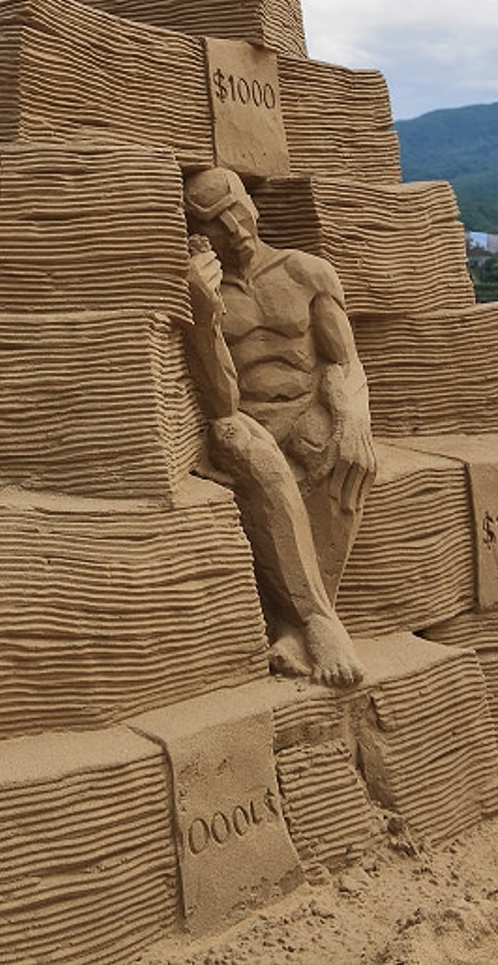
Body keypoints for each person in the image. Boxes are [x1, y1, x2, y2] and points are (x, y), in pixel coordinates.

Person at [181, 167, 375, 688]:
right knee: (253, 450)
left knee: (346, 456)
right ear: (198, 232)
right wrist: (204, 312)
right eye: (217, 224)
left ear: (253, 204)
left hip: (305, 408)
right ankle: (320, 621)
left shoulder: (308, 272)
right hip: (247, 420)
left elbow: (343, 361)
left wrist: (353, 415)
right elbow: (221, 399)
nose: (236, 230)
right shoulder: (205, 289)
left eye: (237, 212)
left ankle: (295, 627)